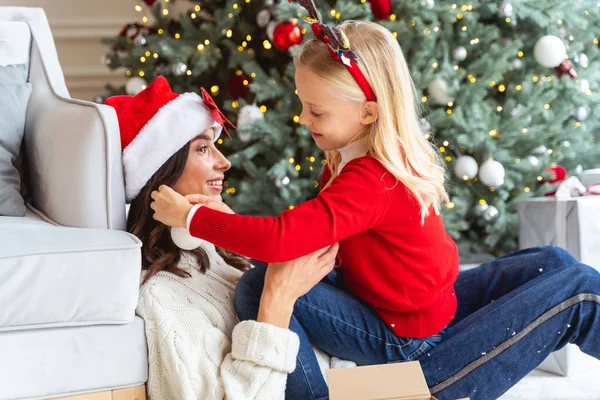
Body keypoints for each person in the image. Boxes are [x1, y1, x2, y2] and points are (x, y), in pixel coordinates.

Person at [150, 13, 456, 392]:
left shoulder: (371, 180)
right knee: (275, 271)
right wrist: (228, 223)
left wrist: (192, 218)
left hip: (403, 336)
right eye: (303, 104)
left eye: (316, 111)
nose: (302, 118)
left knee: (259, 287)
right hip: (388, 302)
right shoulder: (353, 158)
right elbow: (301, 239)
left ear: (367, 111)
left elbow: (282, 239)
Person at [105, 76, 348, 400]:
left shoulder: (221, 259)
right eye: (203, 148)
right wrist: (276, 301)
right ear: (161, 171)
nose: (225, 162)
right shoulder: (160, 297)